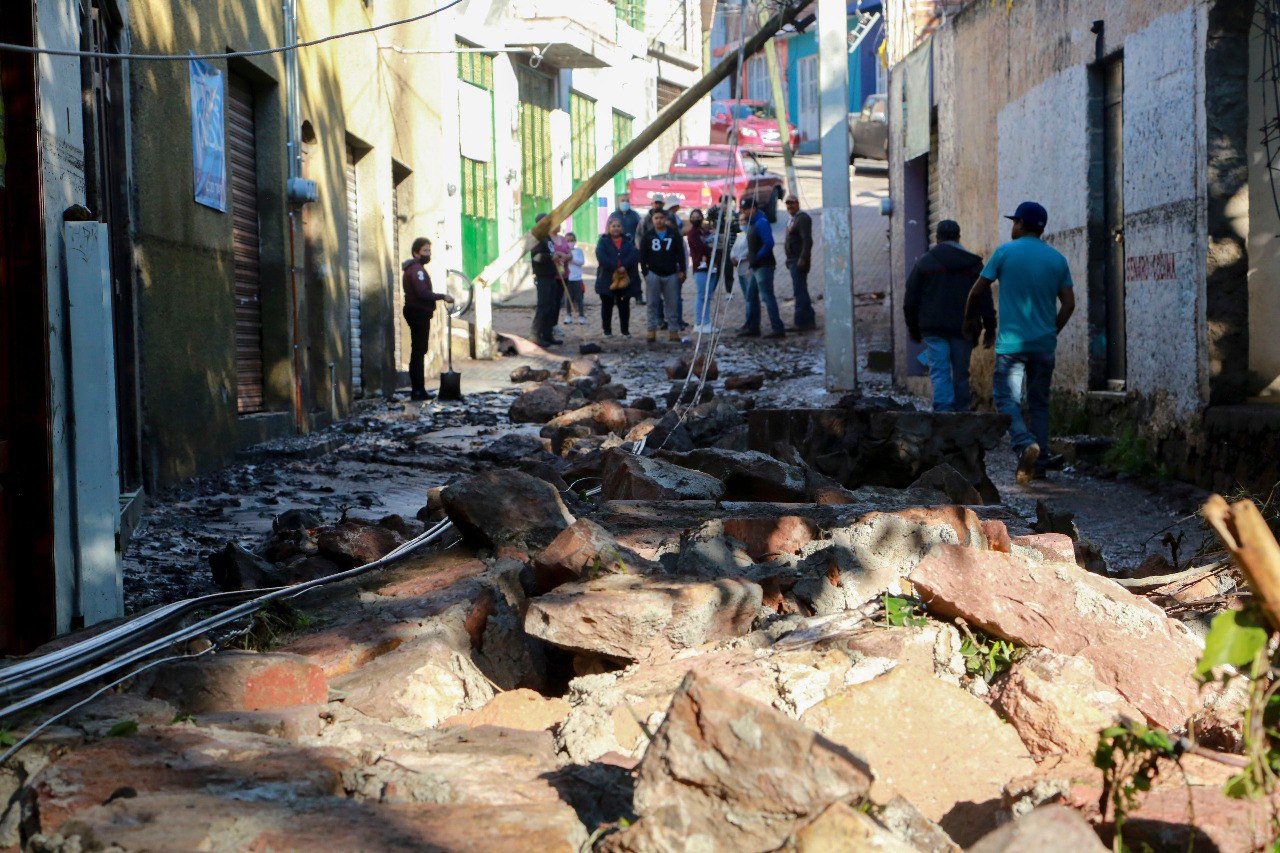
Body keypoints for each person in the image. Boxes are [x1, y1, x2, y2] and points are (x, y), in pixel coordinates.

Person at [965, 201, 1075, 485]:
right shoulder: (1056, 259)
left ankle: (1025, 443)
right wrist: (1052, 331)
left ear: (1022, 224)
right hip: (1043, 345)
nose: (1012, 226)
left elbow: (977, 291)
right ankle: (1039, 462)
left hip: (1012, 346)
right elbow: (1069, 304)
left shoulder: (1004, 253)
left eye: (1015, 222)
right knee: (1039, 403)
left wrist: (969, 319)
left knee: (1005, 399)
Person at [904, 219, 993, 413]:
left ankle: (943, 413)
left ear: (937, 238)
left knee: (939, 372)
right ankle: (962, 413)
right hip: (964, 330)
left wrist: (913, 328)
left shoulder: (924, 263)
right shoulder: (973, 263)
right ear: (958, 237)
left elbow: (910, 300)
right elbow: (984, 297)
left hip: (934, 328)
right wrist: (990, 327)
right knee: (961, 373)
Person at [401, 237, 454, 401]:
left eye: (429, 251)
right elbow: (422, 293)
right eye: (424, 251)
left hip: (416, 312)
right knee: (418, 352)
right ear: (416, 253)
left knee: (419, 351)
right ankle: (417, 391)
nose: (428, 254)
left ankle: (420, 389)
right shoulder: (416, 270)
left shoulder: (415, 268)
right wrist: (443, 296)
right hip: (418, 312)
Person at [737, 197, 784, 339]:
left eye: (746, 209)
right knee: (751, 296)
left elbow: (769, 243)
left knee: (767, 297)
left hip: (764, 266)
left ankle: (777, 328)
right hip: (755, 266)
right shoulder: (753, 222)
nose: (744, 212)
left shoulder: (761, 222)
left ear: (753, 209)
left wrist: (757, 258)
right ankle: (753, 327)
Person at [639, 208, 687, 343]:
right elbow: (643, 255)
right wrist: (645, 272)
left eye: (661, 217)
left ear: (665, 219)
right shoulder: (648, 236)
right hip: (653, 273)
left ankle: (673, 330)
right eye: (656, 218)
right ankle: (651, 329)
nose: (659, 220)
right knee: (652, 303)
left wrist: (682, 269)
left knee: (672, 303)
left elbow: (680, 254)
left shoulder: (674, 235)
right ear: (652, 220)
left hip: (671, 274)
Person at [595, 217, 641, 336]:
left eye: (618, 226)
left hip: (624, 278)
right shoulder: (603, 242)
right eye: (613, 226)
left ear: (622, 228)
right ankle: (607, 330)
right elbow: (601, 257)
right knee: (607, 306)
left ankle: (625, 331)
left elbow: (634, 255)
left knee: (624, 305)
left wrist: (624, 266)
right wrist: (615, 267)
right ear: (609, 228)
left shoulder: (628, 241)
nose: (616, 228)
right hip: (606, 279)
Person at [529, 213, 565, 347]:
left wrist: (556, 256)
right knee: (543, 306)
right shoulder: (537, 238)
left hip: (551, 275)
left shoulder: (547, 238)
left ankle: (548, 334)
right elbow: (537, 257)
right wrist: (550, 257)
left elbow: (550, 252)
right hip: (542, 276)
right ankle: (535, 334)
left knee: (552, 306)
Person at [783, 195, 815, 331]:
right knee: (801, 290)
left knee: (799, 291)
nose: (790, 206)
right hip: (793, 260)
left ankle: (801, 322)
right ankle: (808, 319)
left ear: (798, 204)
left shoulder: (802, 219)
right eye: (788, 204)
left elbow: (808, 241)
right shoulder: (793, 218)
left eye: (792, 203)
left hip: (798, 261)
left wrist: (802, 258)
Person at [686, 209, 713, 332]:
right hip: (699, 267)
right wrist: (708, 251)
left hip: (709, 266)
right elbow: (700, 246)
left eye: (698, 216)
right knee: (702, 295)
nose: (696, 218)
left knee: (707, 296)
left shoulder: (703, 231)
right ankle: (699, 322)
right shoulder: (692, 233)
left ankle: (706, 321)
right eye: (694, 216)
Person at [564, 232, 586, 324]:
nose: (570, 243)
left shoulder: (578, 251)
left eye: (572, 241)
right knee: (568, 298)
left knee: (579, 298)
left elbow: (581, 262)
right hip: (568, 278)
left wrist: (571, 259)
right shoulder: (564, 252)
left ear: (575, 241)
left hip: (577, 278)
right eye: (568, 241)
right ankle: (568, 315)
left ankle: (581, 316)